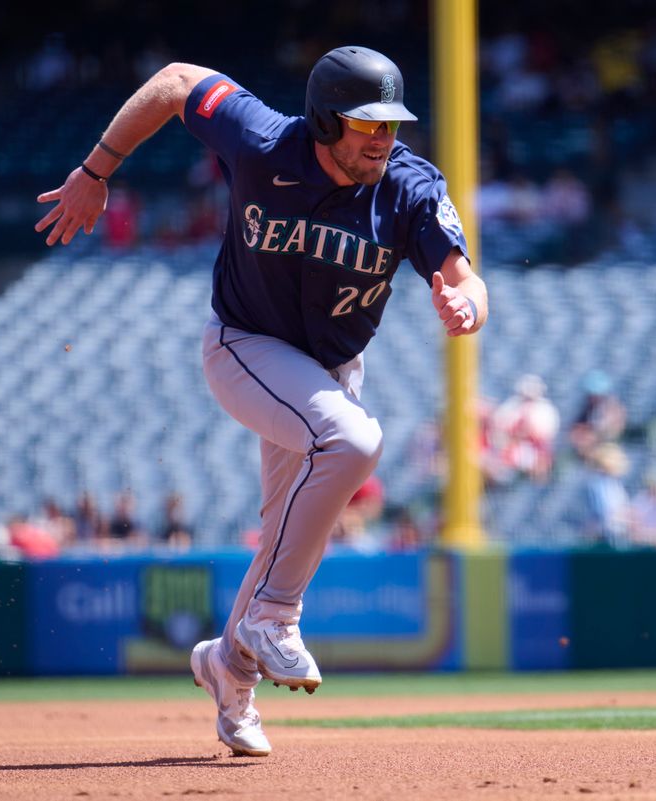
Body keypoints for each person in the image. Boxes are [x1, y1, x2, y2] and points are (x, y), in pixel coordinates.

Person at [34, 47, 487, 758]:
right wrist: (96, 172)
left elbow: (466, 276)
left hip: (332, 369)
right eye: (366, 123)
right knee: (353, 442)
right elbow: (176, 81)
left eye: (391, 122)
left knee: (284, 535)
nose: (383, 137)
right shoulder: (263, 139)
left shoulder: (410, 187)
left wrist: (468, 304)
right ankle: (275, 616)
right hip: (245, 346)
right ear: (323, 118)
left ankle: (229, 671)